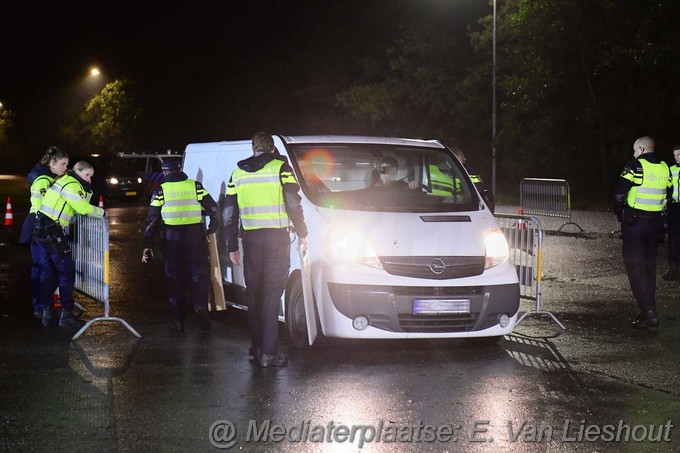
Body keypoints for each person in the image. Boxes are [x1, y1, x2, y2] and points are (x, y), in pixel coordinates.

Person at [224, 132, 308, 368]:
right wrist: (302, 232)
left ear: (253, 149)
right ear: (272, 149)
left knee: (254, 293)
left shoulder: (237, 173)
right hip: (276, 238)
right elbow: (293, 203)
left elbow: (229, 213)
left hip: (250, 240)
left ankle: (257, 347)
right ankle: (269, 354)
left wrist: (232, 245)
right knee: (272, 293)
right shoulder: (281, 168)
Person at [142, 159, 219, 333]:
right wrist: (212, 227)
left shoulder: (160, 190)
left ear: (164, 173)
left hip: (172, 239)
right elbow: (213, 208)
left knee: (174, 277)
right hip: (195, 236)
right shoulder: (195, 186)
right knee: (198, 274)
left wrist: (147, 244)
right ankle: (201, 307)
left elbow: (152, 219)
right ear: (180, 170)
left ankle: (178, 320)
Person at [34, 160, 105, 327]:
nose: (89, 180)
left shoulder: (65, 180)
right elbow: (83, 208)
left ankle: (47, 311)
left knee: (48, 272)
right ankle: (66, 314)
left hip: (44, 229)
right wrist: (102, 212)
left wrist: (86, 190)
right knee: (66, 273)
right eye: (87, 175)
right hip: (53, 231)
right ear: (78, 171)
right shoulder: (72, 184)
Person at [613, 136, 672, 329]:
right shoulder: (665, 167)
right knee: (649, 267)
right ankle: (647, 309)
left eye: (634, 150)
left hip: (635, 224)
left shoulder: (635, 166)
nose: (633, 153)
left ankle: (649, 312)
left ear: (642, 149)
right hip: (655, 224)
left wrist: (621, 215)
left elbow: (619, 194)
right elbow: (669, 195)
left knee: (636, 268)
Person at [19, 146, 69, 319]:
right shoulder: (43, 180)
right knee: (45, 268)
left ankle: (40, 306)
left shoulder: (45, 177)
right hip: (39, 226)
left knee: (41, 268)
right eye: (62, 164)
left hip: (38, 225)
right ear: (52, 163)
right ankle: (42, 307)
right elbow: (42, 207)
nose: (65, 168)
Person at [662, 145, 680, 280]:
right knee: (673, 238)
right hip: (674, 208)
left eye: (679, 154)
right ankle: (673, 268)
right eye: (675, 155)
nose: (677, 158)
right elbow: (666, 187)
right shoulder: (672, 169)